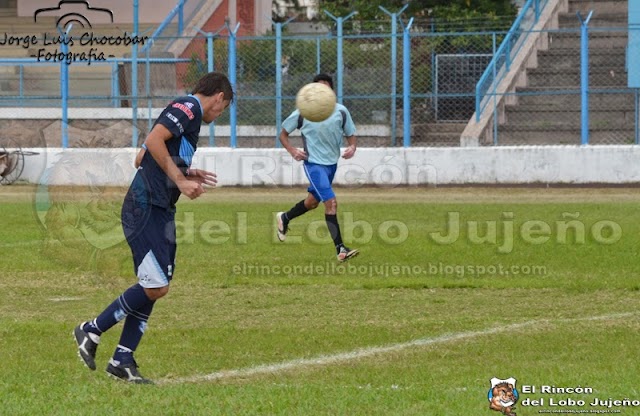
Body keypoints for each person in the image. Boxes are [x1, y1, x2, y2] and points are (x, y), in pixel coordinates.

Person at [73, 72, 234, 384]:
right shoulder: (189, 107)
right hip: (144, 206)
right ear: (219, 98)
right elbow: (151, 141)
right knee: (155, 286)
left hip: (159, 209)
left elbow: (140, 158)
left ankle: (122, 359)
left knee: (155, 285)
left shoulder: (188, 116)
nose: (220, 113)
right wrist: (180, 179)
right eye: (223, 107)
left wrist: (186, 170)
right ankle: (92, 328)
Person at [276, 73, 359, 262]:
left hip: (331, 165)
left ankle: (285, 218)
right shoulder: (302, 112)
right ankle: (341, 249)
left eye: (326, 88)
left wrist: (352, 147)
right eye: (318, 88)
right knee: (331, 203)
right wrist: (292, 151)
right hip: (314, 165)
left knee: (312, 202)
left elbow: (351, 134)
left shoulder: (341, 111)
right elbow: (283, 135)